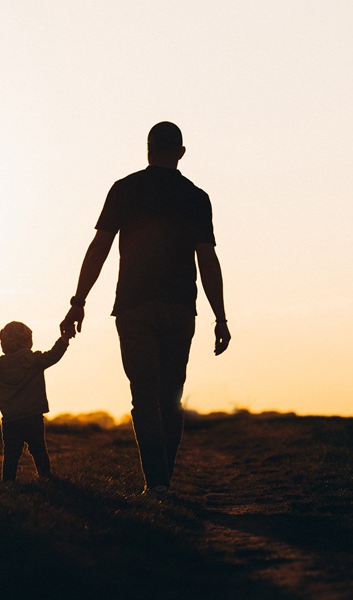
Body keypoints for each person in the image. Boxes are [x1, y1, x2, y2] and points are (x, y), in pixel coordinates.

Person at [60, 121, 231, 496]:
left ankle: (156, 483)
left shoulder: (125, 189)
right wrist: (220, 316)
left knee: (144, 397)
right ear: (181, 153)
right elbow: (208, 261)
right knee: (170, 397)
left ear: (148, 148)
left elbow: (99, 248)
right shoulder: (196, 197)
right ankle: (162, 480)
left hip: (134, 306)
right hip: (180, 307)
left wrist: (78, 301)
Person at [0, 322, 70, 482]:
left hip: (11, 420)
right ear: (27, 341)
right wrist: (65, 338)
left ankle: (8, 483)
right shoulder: (35, 360)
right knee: (39, 449)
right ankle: (46, 478)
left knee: (11, 453)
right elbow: (54, 355)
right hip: (33, 417)